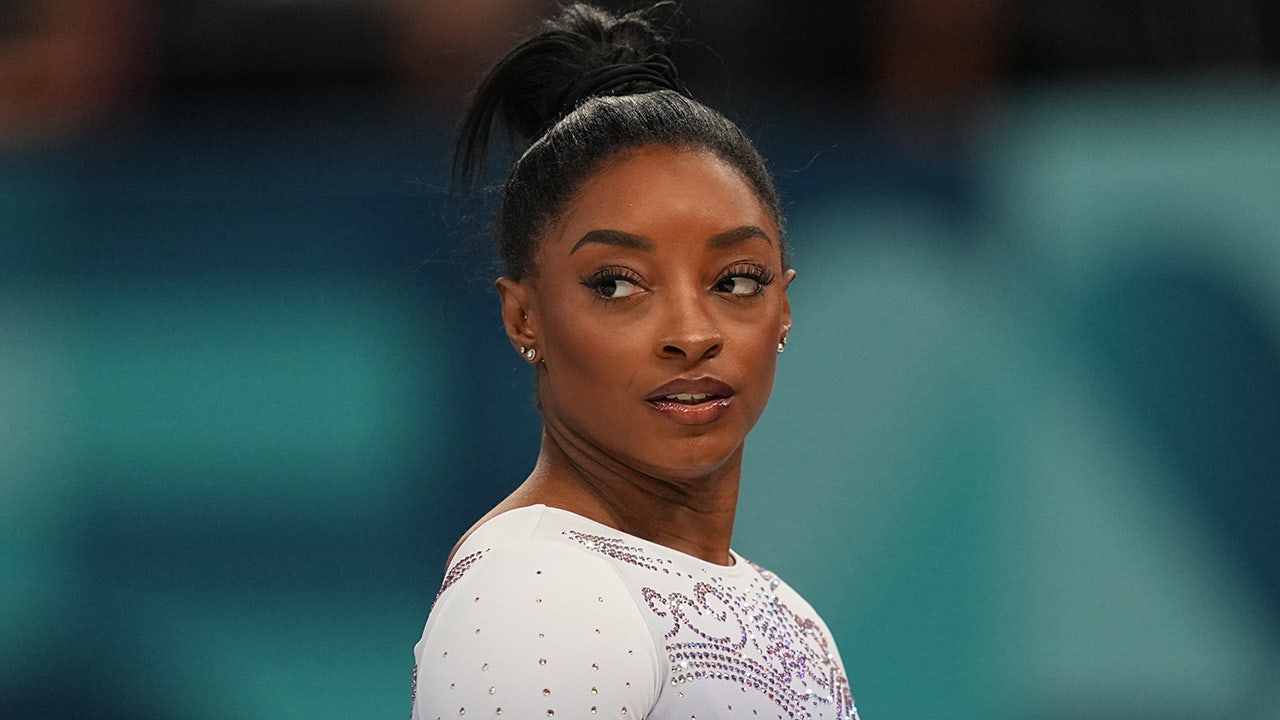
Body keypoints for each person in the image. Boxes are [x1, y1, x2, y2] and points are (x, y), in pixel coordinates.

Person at [410, 4, 859, 718]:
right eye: (617, 285)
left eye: (736, 281)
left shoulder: (792, 616)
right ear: (524, 317)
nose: (691, 334)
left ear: (784, 306)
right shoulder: (539, 593)